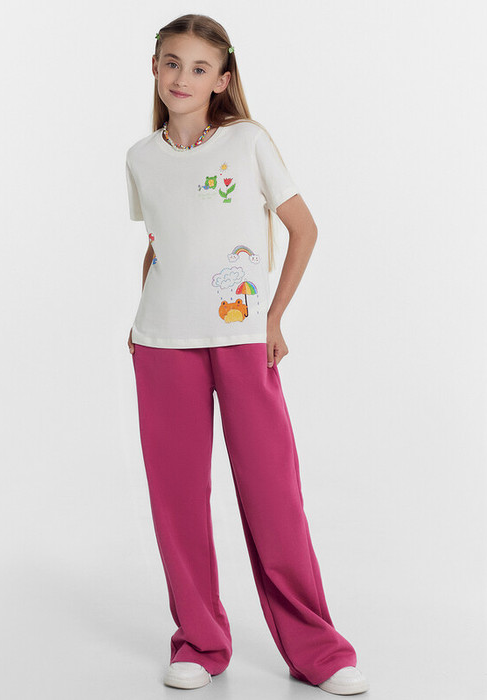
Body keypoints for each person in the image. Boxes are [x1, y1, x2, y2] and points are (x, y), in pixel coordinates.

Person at [125, 13, 370, 696]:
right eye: (172, 63)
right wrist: (140, 318)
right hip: (161, 344)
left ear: (222, 80)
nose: (182, 77)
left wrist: (274, 316)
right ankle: (199, 642)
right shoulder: (140, 157)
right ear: (154, 68)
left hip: (241, 339)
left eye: (199, 68)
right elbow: (159, 243)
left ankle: (317, 649)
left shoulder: (247, 141)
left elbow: (302, 229)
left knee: (272, 496)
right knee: (177, 502)